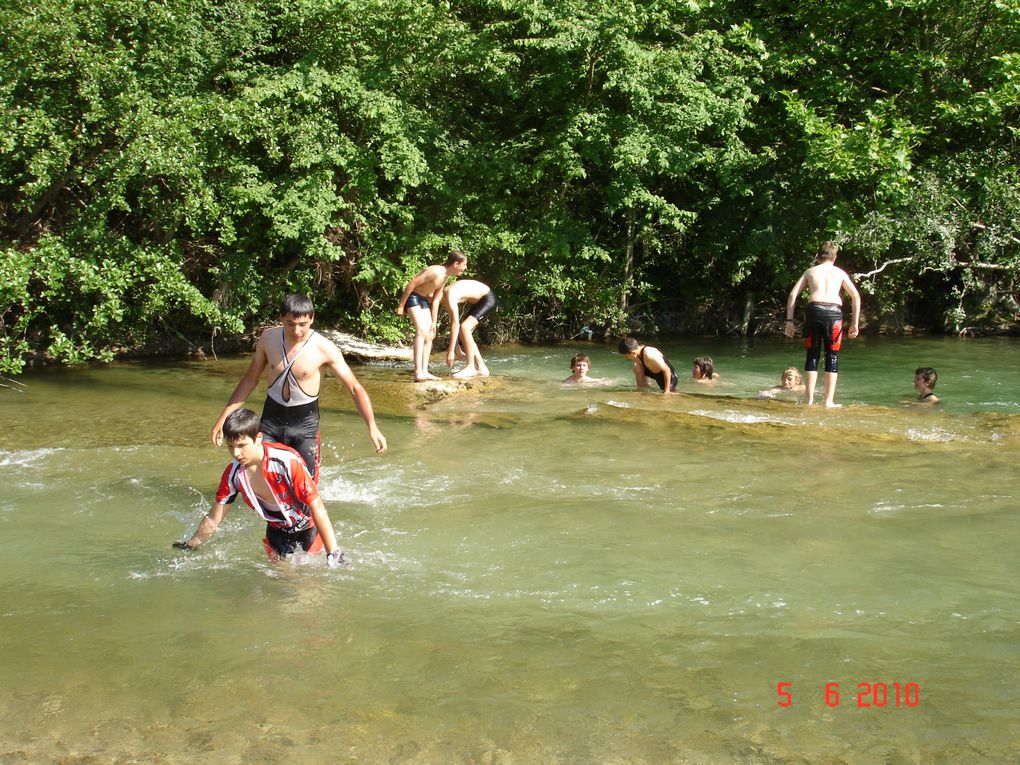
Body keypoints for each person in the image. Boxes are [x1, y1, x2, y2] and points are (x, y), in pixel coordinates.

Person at [209, 293, 387, 483]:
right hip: (271, 423)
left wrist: (372, 427)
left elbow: (355, 388)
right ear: (281, 319)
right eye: (290, 324)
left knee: (306, 486)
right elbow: (249, 380)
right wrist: (223, 418)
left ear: (312, 318)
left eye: (302, 324)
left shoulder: (324, 348)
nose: (296, 331)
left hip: (305, 427)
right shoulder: (268, 339)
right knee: (257, 475)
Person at [177, 409, 348, 567]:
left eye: (242, 445)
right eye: (230, 446)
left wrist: (333, 552)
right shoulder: (233, 474)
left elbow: (316, 505)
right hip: (276, 532)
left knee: (314, 583)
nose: (236, 453)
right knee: (285, 582)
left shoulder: (286, 461)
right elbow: (214, 518)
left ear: (258, 438)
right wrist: (191, 545)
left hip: (308, 527)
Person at [784, 241, 861, 407]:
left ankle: (809, 399)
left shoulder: (810, 271)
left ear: (818, 257)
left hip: (814, 312)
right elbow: (855, 296)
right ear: (835, 257)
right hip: (833, 314)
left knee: (812, 354)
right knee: (831, 356)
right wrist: (854, 323)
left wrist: (789, 321)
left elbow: (792, 295)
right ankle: (828, 401)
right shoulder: (840, 273)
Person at [396, 250, 469, 381]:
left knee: (430, 334)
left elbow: (435, 300)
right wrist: (401, 306)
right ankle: (418, 372)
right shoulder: (436, 271)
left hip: (423, 300)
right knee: (421, 331)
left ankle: (425, 371)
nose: (466, 268)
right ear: (456, 263)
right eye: (464, 264)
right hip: (413, 297)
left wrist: (434, 322)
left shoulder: (446, 277)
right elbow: (411, 284)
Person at [443, 278, 497, 378]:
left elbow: (455, 323)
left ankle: (470, 367)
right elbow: (454, 325)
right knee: (464, 331)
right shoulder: (445, 296)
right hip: (480, 302)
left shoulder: (448, 294)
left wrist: (451, 351)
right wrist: (456, 348)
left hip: (488, 298)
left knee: (465, 328)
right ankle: (482, 368)